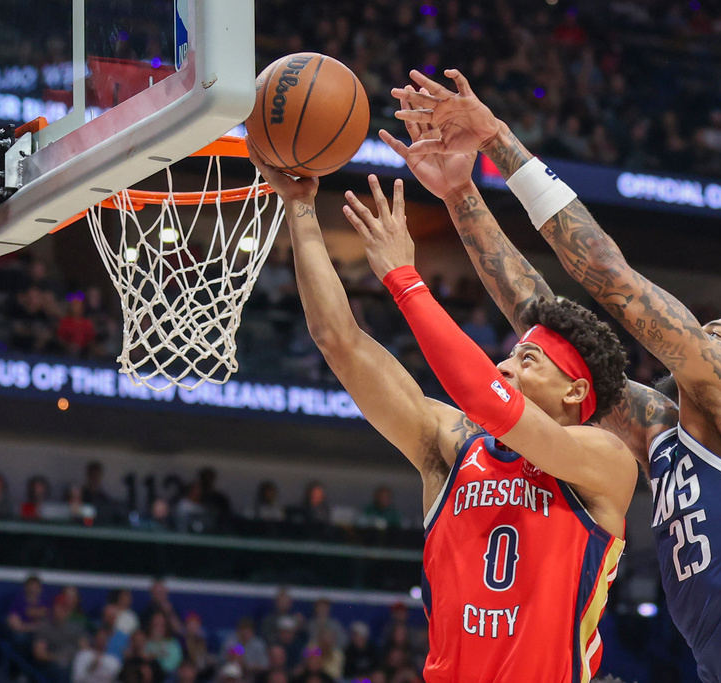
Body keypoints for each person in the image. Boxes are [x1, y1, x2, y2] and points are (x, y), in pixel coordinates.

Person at [390, 68, 721, 683]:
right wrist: (461, 197)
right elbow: (546, 327)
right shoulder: (659, 431)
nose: (698, 336)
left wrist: (500, 139)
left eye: (718, 335)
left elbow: (610, 273)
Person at [249, 141, 638, 682]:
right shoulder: (450, 443)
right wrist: (300, 207)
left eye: (528, 360)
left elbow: (486, 399)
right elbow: (339, 341)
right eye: (507, 354)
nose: (504, 366)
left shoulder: (605, 461)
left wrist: (405, 281)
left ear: (575, 392)